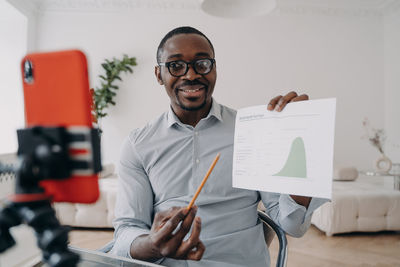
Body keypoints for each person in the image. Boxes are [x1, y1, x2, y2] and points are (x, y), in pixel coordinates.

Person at [110, 26, 326, 267]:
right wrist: (151, 244)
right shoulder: (138, 144)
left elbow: (293, 224)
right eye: (176, 65)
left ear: (214, 69)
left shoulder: (251, 131)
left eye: (202, 63)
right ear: (159, 74)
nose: (190, 75)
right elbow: (126, 233)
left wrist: (303, 141)